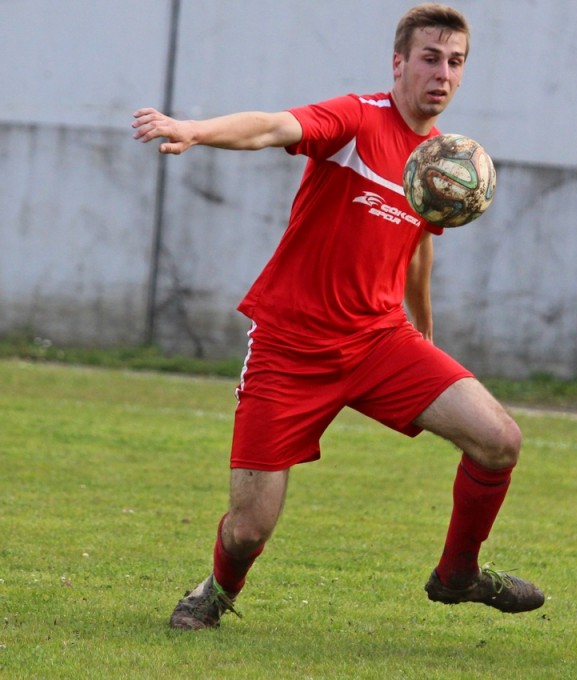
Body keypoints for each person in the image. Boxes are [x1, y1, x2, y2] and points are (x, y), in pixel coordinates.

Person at [131, 3, 544, 630]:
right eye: (430, 58)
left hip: (381, 342)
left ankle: (458, 572)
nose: (443, 73)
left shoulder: (440, 162)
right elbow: (273, 126)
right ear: (399, 62)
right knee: (248, 529)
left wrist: (423, 328)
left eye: (455, 62)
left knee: (499, 440)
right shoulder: (357, 119)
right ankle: (214, 591)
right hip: (290, 347)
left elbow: (419, 246)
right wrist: (196, 128)